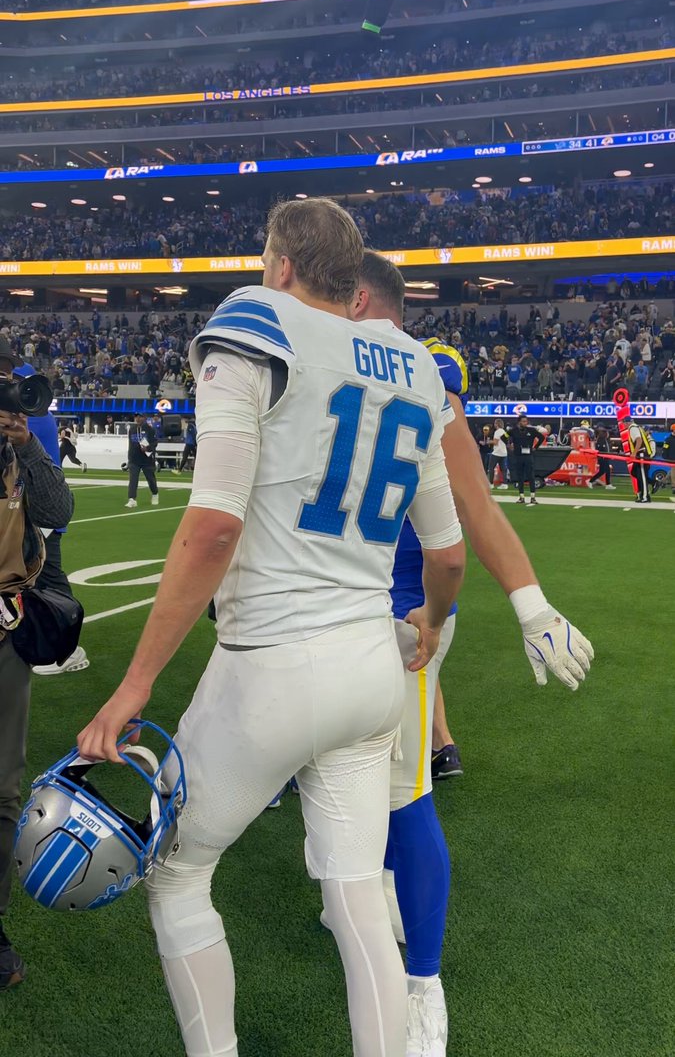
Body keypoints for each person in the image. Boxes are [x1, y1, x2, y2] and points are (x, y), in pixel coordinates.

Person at [77, 197, 465, 1057]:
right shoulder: (412, 361)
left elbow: (214, 524)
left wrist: (134, 685)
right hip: (373, 665)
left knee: (178, 873)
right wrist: (429, 627)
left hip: (275, 662)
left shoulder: (259, 321)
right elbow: (445, 553)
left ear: (282, 264)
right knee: (359, 888)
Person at [350, 252, 594, 1056]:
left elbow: (468, 502)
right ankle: (355, 892)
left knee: (400, 790)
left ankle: (422, 981)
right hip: (325, 610)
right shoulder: (317, 357)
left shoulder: (417, 372)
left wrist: (530, 603)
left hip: (400, 617)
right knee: (338, 779)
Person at [0, 337, 74, 989]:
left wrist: (26, 445)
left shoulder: (17, 449)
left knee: (2, 791)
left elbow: (57, 513)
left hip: (4, 630)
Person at [13, 364, 88, 676]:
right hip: (37, 509)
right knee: (44, 580)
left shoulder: (27, 419)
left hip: (39, 513)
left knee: (50, 581)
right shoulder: (35, 413)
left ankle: (69, 647)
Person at [125, 412, 159, 508]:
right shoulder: (132, 430)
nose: (138, 419)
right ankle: (132, 499)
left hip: (146, 460)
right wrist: (129, 459)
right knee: (133, 480)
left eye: (140, 417)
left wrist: (147, 448)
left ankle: (155, 493)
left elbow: (155, 443)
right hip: (134, 460)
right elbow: (130, 445)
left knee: (150, 479)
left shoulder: (150, 429)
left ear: (144, 418)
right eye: (136, 417)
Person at [508, 414, 542, 505]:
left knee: (531, 476)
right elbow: (504, 437)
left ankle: (533, 497)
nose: (525, 423)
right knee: (520, 477)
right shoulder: (513, 431)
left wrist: (536, 447)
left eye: (526, 421)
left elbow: (542, 437)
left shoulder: (531, 430)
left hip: (528, 456)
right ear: (519, 422)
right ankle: (521, 497)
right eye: (523, 421)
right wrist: (509, 445)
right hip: (518, 456)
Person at [626, 413, 653, 503]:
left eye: (625, 423)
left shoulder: (632, 428)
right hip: (642, 453)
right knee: (635, 473)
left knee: (642, 475)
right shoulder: (637, 427)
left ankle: (645, 496)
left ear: (627, 423)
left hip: (641, 454)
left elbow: (639, 440)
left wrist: (634, 453)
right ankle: (642, 492)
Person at [488, 421, 509, 489]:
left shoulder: (497, 432)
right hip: (504, 453)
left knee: (491, 468)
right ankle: (504, 484)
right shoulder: (503, 431)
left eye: (495, 423)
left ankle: (491, 483)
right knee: (503, 469)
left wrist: (488, 442)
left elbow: (495, 442)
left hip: (497, 452)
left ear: (497, 424)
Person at [661, 422, 675, 499]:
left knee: (672, 472)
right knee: (673, 471)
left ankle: (663, 481)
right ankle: (673, 487)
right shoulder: (668, 439)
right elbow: (665, 448)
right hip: (672, 458)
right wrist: (665, 457)